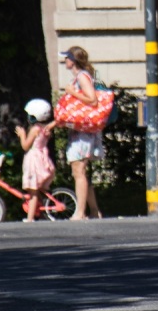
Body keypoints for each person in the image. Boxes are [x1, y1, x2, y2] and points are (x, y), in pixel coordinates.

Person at [60, 46, 104, 220]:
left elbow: (92, 100)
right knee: (81, 171)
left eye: (67, 58)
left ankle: (80, 212)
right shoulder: (81, 76)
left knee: (78, 170)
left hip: (83, 133)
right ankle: (94, 211)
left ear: (73, 60)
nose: (65, 61)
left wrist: (72, 93)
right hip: (81, 131)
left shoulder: (82, 77)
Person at [15, 98, 56, 222]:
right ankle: (42, 213)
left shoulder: (34, 129)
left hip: (33, 159)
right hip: (42, 158)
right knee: (38, 190)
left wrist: (22, 135)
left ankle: (30, 217)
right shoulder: (45, 128)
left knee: (33, 190)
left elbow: (25, 146)